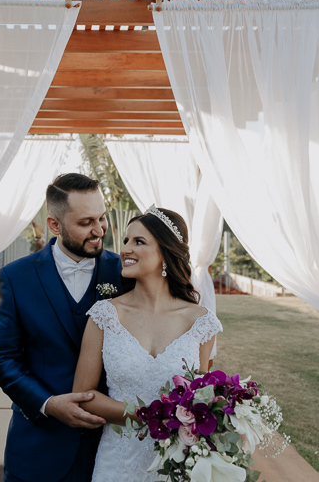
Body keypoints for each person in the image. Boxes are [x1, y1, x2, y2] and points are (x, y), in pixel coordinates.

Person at [0, 173, 124, 482]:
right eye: (86, 222)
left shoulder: (124, 273)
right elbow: (1, 358)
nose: (99, 230)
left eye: (102, 218)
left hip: (110, 447)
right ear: (54, 225)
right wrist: (48, 404)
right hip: (38, 446)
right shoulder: (16, 277)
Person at [73, 206, 222, 482]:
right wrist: (147, 415)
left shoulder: (201, 323)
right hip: (117, 463)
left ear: (165, 253)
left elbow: (199, 397)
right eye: (126, 241)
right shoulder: (104, 315)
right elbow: (83, 396)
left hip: (176, 464)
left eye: (139, 241)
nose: (126, 249)